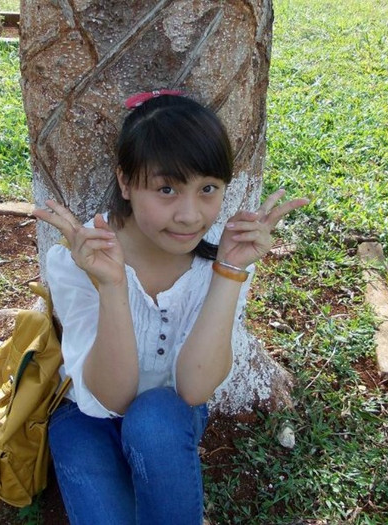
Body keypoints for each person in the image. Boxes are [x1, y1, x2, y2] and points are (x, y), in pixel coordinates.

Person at [33, 92, 308, 525]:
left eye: (208, 189)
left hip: (168, 415)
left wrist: (230, 271)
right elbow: (112, 397)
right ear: (126, 183)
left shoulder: (226, 258)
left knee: (155, 417)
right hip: (88, 414)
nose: (189, 215)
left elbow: (193, 390)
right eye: (166, 189)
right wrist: (112, 285)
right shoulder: (80, 260)